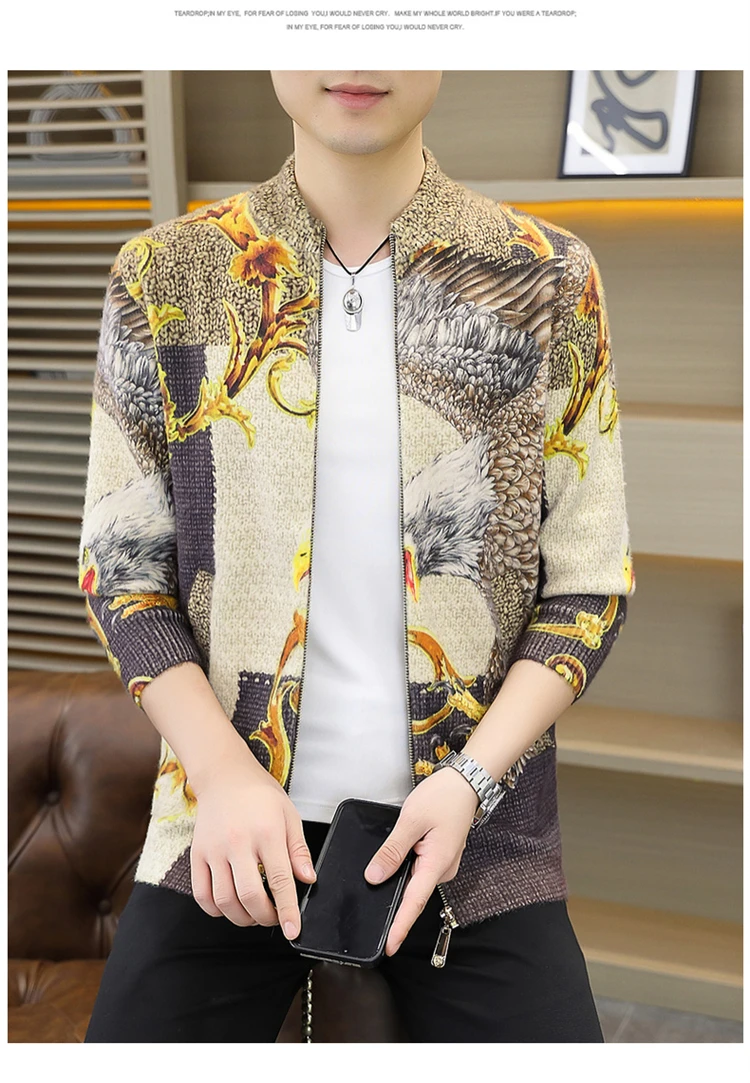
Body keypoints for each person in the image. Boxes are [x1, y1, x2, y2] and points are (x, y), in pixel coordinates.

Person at [79, 70, 635, 1043]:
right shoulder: (167, 274)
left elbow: (589, 586)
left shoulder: (544, 273)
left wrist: (472, 782)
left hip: (474, 830)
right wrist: (223, 773)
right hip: (227, 819)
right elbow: (121, 570)